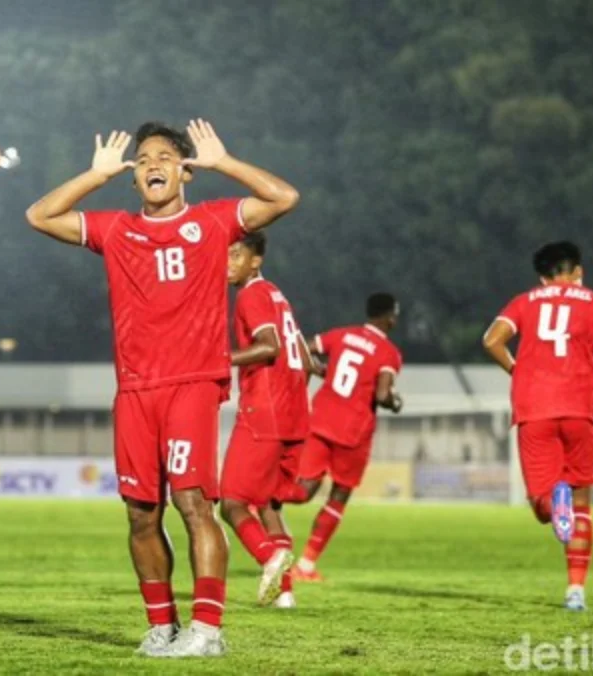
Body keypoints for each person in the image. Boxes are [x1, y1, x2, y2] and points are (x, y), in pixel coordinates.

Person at [26, 120, 299, 658]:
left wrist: (224, 161)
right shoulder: (117, 229)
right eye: (143, 160)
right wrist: (94, 175)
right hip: (134, 391)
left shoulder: (212, 222)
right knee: (139, 513)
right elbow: (40, 215)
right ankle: (162, 626)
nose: (153, 165)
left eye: (165, 158)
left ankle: (208, 629)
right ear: (133, 178)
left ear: (184, 171)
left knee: (194, 502)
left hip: (191, 385)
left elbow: (283, 196)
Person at [482, 240, 593, 611]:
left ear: (541, 276)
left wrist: (519, 370)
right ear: (577, 270)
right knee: (582, 502)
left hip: (534, 409)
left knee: (542, 507)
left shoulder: (525, 301)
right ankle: (575, 591)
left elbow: (492, 341)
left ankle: (552, 503)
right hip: (580, 408)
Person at [219, 231, 311, 609]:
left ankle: (266, 557)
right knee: (270, 505)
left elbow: (270, 346)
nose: (229, 263)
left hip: (265, 410)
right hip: (294, 412)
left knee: (232, 503)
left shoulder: (252, 294)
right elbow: (304, 359)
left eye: (236, 255)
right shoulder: (277, 295)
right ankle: (284, 593)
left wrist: (219, 360)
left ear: (256, 260)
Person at [290, 293, 404, 583]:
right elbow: (381, 395)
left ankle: (255, 500)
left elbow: (303, 348)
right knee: (339, 495)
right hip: (353, 432)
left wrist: (317, 369)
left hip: (322, 419)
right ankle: (305, 565)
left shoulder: (342, 335)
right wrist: (396, 402)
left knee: (303, 490)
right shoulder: (388, 353)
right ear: (389, 317)